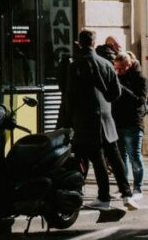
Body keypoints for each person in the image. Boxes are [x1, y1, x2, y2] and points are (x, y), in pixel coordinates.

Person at [58, 29, 138, 210]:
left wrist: (68, 120)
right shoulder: (107, 64)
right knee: (115, 157)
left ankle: (103, 197)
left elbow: (70, 96)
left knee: (97, 159)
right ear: (95, 44)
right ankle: (127, 195)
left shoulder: (75, 65)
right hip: (106, 118)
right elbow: (116, 93)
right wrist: (105, 105)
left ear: (79, 43)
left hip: (85, 120)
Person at [113, 51, 147, 200]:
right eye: (116, 68)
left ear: (129, 65)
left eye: (121, 68)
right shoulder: (116, 78)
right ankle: (124, 186)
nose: (118, 71)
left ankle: (138, 188)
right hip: (118, 122)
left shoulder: (140, 79)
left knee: (135, 157)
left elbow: (140, 100)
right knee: (121, 158)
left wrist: (123, 90)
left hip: (133, 123)